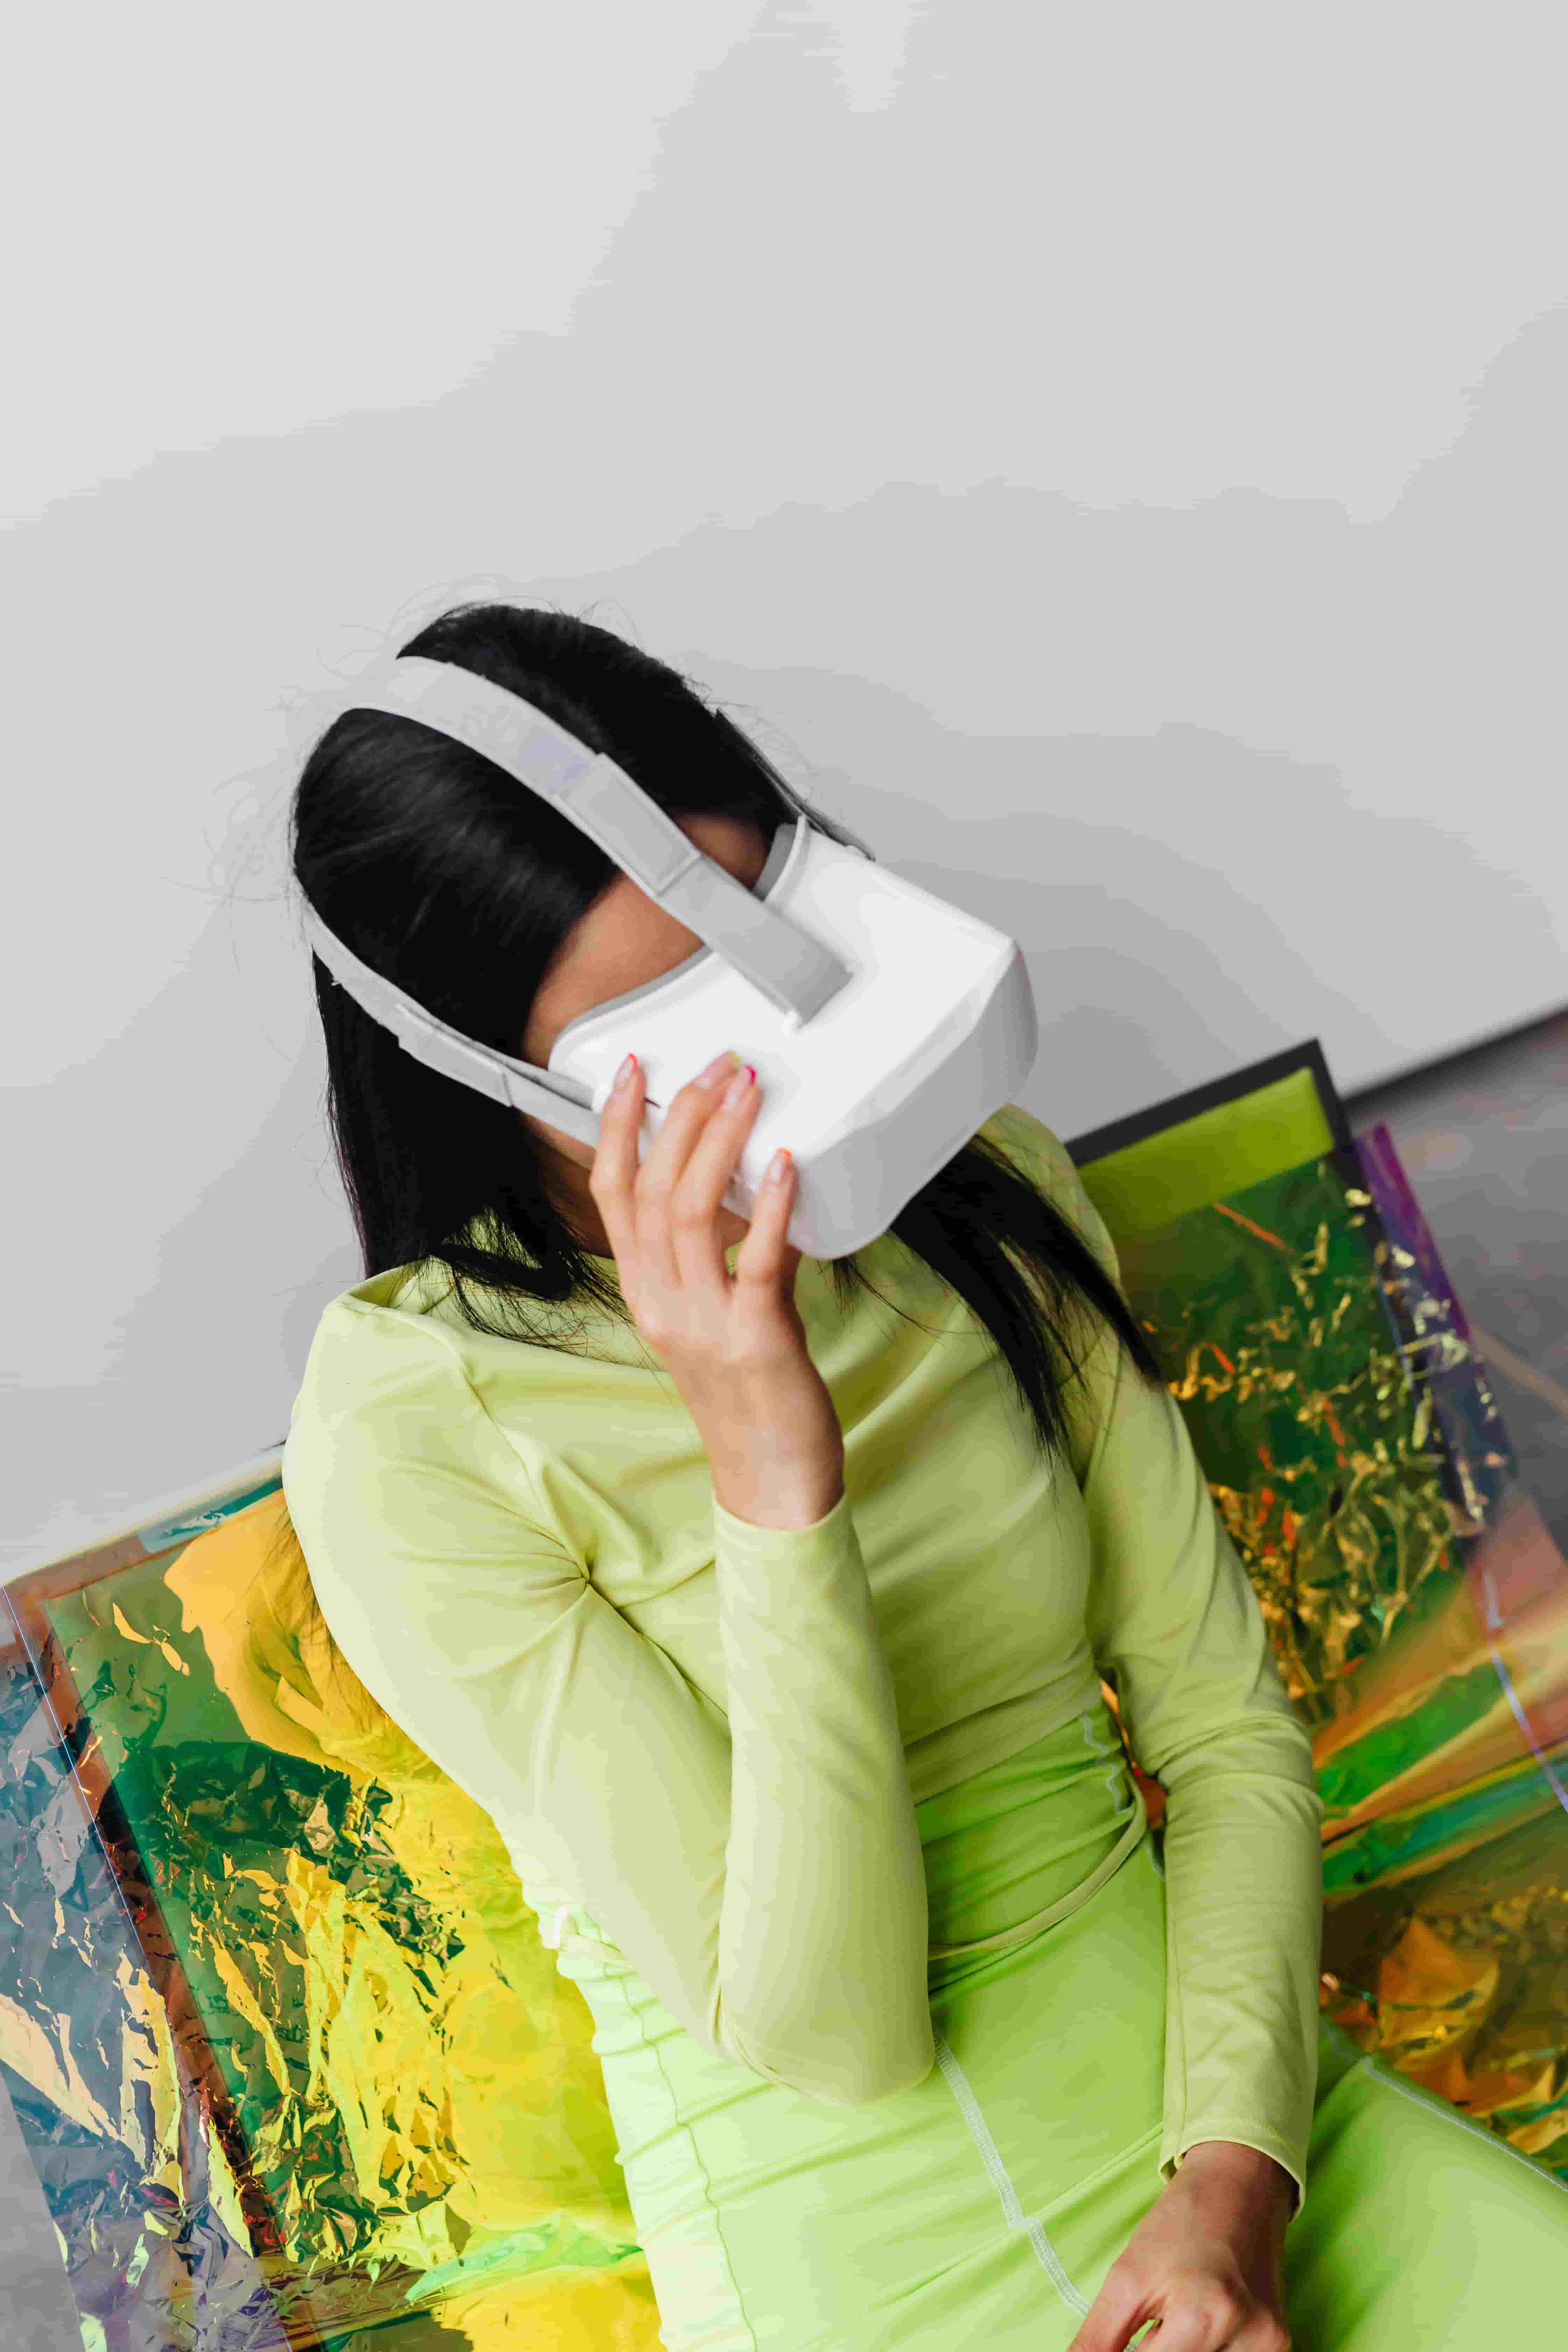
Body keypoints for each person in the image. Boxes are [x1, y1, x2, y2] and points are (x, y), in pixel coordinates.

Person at [279, 602, 1568, 2351]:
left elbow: (1223, 1735)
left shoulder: (992, 1201)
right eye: (660, 1031)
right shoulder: (411, 1420)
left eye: (769, 941)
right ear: (475, 1071)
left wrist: (1229, 2189)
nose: (768, 1057)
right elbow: (835, 2034)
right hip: (872, 2251)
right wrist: (769, 1470)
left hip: (1235, 2131)